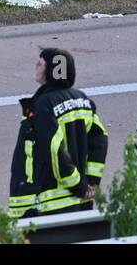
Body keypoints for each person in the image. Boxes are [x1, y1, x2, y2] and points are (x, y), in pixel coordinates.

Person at [7, 48, 109, 218]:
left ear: (51, 70)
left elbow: (54, 148)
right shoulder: (82, 99)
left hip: (50, 204)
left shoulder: (43, 104)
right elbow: (100, 139)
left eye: (40, 62)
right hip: (79, 201)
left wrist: (77, 185)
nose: (36, 65)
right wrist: (90, 182)